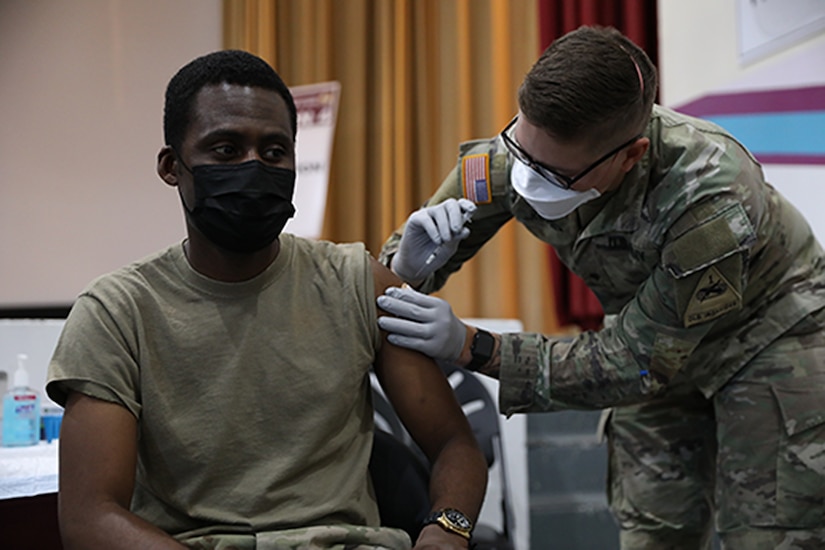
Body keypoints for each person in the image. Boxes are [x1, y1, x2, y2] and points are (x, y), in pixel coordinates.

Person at [376, 25, 825, 550]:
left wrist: (473, 346)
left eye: (553, 174)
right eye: (520, 149)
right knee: (652, 529)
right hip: (652, 328)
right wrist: (404, 265)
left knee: (773, 533)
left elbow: (636, 360)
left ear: (629, 156)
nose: (525, 180)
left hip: (769, 338)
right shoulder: (512, 158)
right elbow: (402, 268)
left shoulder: (710, 197)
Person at [46, 50, 488, 550]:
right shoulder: (117, 313)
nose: (254, 167)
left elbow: (455, 444)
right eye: (226, 150)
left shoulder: (358, 283)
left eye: (275, 151)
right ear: (173, 166)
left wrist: (446, 531)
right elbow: (89, 517)